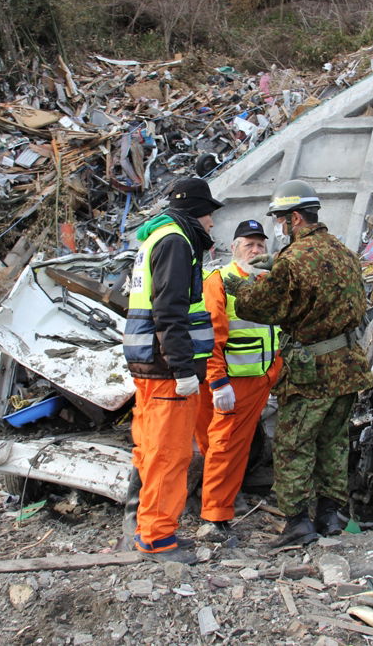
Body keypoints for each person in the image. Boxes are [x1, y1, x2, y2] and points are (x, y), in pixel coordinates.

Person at [223, 180, 373, 547]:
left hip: (312, 372)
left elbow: (263, 307)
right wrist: (277, 265)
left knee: (294, 446)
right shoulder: (341, 250)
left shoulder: (293, 259)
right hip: (348, 366)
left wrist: (236, 286)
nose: (277, 227)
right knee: (333, 443)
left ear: (294, 217)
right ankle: (329, 518)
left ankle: (296, 525)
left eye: (279, 220)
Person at [123, 177, 222, 562]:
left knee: (150, 450)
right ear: (198, 212)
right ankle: (158, 540)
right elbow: (170, 311)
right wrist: (183, 369)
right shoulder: (177, 243)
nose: (212, 224)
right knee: (169, 454)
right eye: (211, 214)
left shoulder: (155, 238)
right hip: (167, 371)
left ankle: (148, 529)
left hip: (148, 364)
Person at [196, 220, 282, 542]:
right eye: (250, 244)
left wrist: (276, 372)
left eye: (261, 245)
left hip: (259, 379)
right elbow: (211, 336)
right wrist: (219, 382)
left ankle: (219, 496)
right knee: (225, 444)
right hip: (233, 380)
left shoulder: (268, 282)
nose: (256, 250)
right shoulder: (221, 280)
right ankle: (214, 517)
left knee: (226, 444)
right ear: (234, 249)